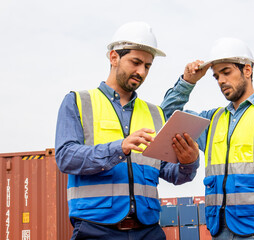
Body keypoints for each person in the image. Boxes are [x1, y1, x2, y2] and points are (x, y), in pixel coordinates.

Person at [55, 21, 199, 240]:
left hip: (148, 230)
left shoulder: (155, 113)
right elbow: (65, 158)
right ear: (114, 57)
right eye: (136, 62)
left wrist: (188, 162)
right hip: (96, 230)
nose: (141, 72)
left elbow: (170, 173)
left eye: (148, 66)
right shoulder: (78, 102)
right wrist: (118, 148)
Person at [161, 37, 254, 240]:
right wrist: (187, 83)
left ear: (247, 70)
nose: (220, 80)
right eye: (216, 76)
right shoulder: (212, 120)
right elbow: (165, 117)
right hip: (219, 232)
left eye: (226, 72)